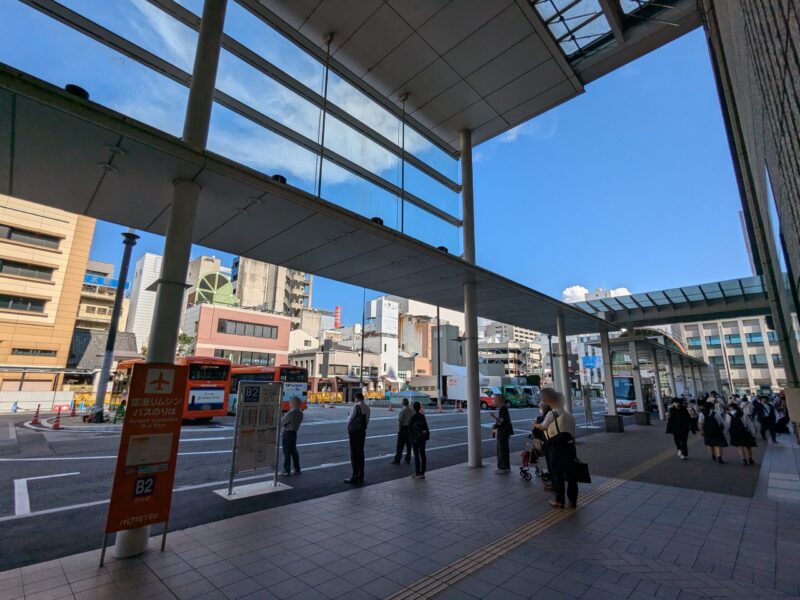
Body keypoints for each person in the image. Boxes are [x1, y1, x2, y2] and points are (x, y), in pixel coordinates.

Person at [535, 389, 578, 509]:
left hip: (557, 449)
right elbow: (573, 434)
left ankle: (559, 500)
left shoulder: (551, 414)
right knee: (571, 476)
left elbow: (543, 427)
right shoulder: (569, 416)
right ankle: (572, 501)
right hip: (570, 448)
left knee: (557, 475)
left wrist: (535, 425)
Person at [345, 392, 370, 484]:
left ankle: (355, 476)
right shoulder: (367, 408)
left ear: (357, 398)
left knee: (354, 454)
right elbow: (367, 421)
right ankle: (361, 475)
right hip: (362, 432)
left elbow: (350, 419)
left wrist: (348, 426)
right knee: (360, 453)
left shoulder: (356, 406)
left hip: (355, 433)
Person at [280, 396, 304, 476]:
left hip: (287, 433)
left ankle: (287, 470)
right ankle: (297, 469)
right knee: (294, 451)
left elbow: (282, 422)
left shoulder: (291, 412)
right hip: (294, 433)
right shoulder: (300, 412)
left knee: (287, 452)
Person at [490, 395, 513, 473]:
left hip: (503, 432)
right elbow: (502, 420)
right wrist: (494, 417)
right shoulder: (504, 408)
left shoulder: (503, 409)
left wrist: (495, 426)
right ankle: (506, 467)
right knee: (504, 449)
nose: (494, 401)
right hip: (505, 431)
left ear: (499, 400)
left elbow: (501, 421)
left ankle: (502, 467)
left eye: (495, 399)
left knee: (501, 449)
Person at [409, 401, 429, 479]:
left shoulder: (413, 418)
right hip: (423, 438)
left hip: (415, 439)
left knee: (417, 455)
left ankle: (417, 472)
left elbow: (409, 429)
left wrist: (411, 439)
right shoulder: (422, 416)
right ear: (420, 408)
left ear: (414, 408)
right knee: (423, 454)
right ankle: (423, 472)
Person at [391, 398, 413, 465]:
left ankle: (397, 460)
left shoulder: (402, 411)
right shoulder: (412, 410)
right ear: (408, 403)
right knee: (409, 446)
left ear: (403, 403)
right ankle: (407, 459)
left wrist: (399, 430)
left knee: (400, 446)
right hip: (410, 429)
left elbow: (400, 422)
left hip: (404, 429)